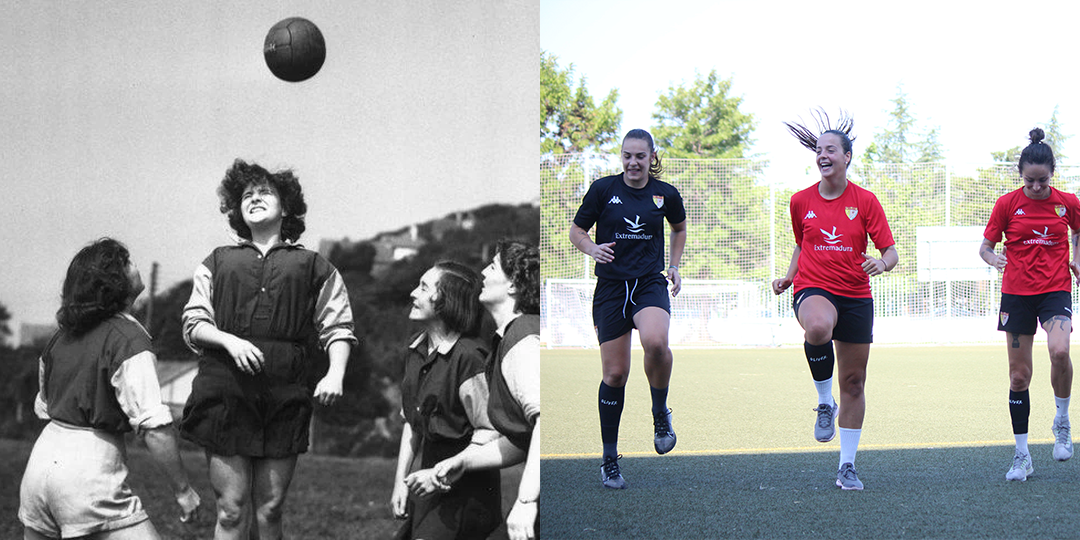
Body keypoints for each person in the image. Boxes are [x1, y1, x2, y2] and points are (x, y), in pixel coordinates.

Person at [179, 159, 357, 539]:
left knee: (270, 509)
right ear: (236, 209)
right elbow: (194, 324)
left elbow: (338, 325)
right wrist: (229, 340)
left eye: (265, 192)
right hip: (225, 391)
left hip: (284, 394)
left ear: (286, 207)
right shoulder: (217, 261)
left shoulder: (314, 265)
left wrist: (335, 372)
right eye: (246, 194)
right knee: (231, 509)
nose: (254, 198)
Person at [19, 238, 201, 539]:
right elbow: (154, 428)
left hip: (39, 466)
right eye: (126, 261)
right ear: (114, 282)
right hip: (88, 472)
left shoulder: (59, 338)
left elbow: (45, 404)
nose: (135, 264)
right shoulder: (128, 338)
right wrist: (184, 491)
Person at [772, 110, 898, 490]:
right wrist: (790, 276)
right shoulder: (800, 202)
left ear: (847, 158)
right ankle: (824, 401)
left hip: (857, 295)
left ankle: (847, 467)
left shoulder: (866, 201)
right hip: (814, 287)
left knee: (855, 383)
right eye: (819, 150)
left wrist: (881, 263)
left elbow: (891, 251)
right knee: (818, 326)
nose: (823, 155)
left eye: (831, 150)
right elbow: (801, 244)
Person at [568, 128, 687, 489]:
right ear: (621, 157)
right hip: (610, 289)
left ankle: (659, 412)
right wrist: (592, 249)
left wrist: (675, 265)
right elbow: (577, 231)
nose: (633, 162)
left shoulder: (665, 194)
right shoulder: (604, 189)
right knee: (615, 375)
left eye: (640, 156)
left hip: (649, 283)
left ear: (652, 157)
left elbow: (679, 229)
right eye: (627, 156)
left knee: (655, 341)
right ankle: (609, 459)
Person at [405, 239, 541, 540]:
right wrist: (462, 461)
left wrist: (527, 501)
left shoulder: (523, 340)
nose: (482, 271)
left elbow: (549, 425)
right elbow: (522, 440)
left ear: (513, 286)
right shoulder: (509, 339)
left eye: (492, 267)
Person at [979, 128, 1080, 482]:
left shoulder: (1068, 202)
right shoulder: (1007, 204)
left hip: (1055, 291)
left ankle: (1062, 420)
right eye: (1030, 181)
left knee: (1060, 351)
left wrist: (1077, 258)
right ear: (1021, 175)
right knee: (1018, 376)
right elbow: (986, 247)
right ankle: (1022, 456)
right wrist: (994, 260)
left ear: (1052, 174)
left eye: (1043, 181)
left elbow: (1078, 233)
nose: (1037, 187)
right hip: (1017, 294)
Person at [391, 261, 501, 539]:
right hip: (428, 477)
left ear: (445, 301)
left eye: (424, 287)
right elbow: (413, 423)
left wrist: (449, 470)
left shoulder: (469, 357)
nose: (413, 294)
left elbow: (489, 431)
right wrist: (400, 482)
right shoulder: (416, 349)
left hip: (466, 485)